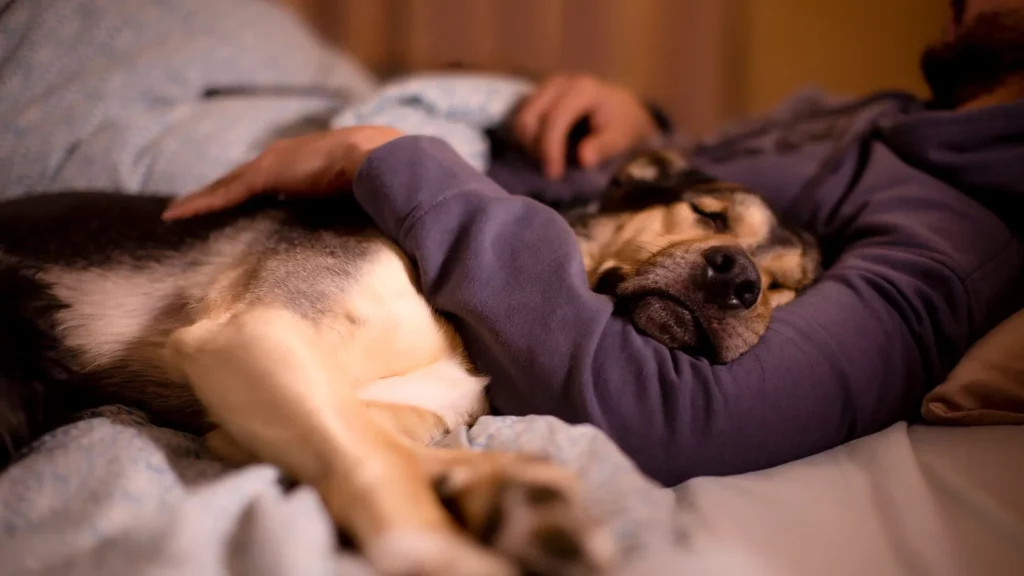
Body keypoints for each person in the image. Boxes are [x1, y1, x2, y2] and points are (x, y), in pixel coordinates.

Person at [160, 0, 1024, 486]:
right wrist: (640, 125)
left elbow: (678, 419)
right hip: (445, 165)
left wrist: (391, 158)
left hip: (372, 200)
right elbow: (686, 185)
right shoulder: (883, 112)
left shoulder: (960, 235)